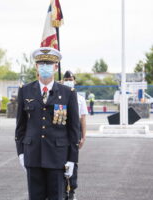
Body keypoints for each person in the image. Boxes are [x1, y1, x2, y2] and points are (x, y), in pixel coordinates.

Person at [15, 47, 80, 200]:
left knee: (57, 197)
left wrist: (72, 158)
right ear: (36, 66)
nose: (45, 67)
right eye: (41, 64)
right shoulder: (25, 91)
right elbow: (21, 126)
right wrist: (21, 153)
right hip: (33, 154)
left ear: (55, 67)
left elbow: (73, 129)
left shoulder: (68, 93)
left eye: (49, 64)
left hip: (57, 156)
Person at [63, 70, 88, 200]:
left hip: (74, 133)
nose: (68, 81)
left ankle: (72, 190)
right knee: (60, 161)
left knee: (73, 161)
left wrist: (83, 136)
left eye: (70, 79)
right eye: (66, 79)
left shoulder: (80, 99)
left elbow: (83, 119)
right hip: (60, 132)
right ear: (62, 81)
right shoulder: (58, 96)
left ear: (74, 80)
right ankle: (62, 190)